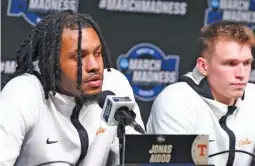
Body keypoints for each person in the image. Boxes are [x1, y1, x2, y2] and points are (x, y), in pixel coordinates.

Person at [0, 10, 144, 166]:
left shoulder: (114, 84)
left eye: (97, 53)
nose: (95, 66)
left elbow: (135, 158)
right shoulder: (23, 92)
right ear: (53, 63)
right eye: (79, 57)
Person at [146, 21, 255, 166]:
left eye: (246, 63)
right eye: (230, 64)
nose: (241, 74)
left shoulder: (253, 96)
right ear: (204, 66)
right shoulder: (176, 101)